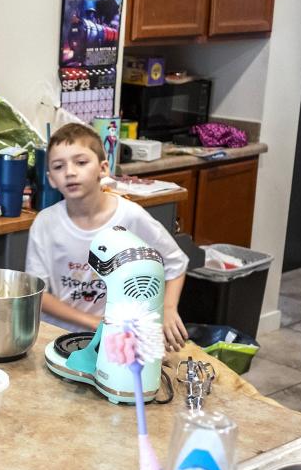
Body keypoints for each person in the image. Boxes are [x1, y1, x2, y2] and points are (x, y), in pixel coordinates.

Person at [25, 123, 188, 349]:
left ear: (103, 168)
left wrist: (168, 309)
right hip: (58, 338)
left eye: (81, 162)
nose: (70, 172)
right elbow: (37, 293)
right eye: (59, 166)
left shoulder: (131, 217)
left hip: (118, 340)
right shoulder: (45, 223)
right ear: (51, 178)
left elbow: (175, 263)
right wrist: (94, 322)